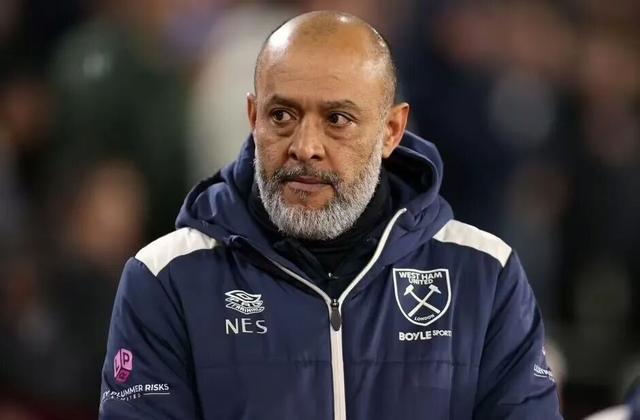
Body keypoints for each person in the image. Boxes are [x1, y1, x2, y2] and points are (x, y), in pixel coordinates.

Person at [99, 11, 561, 419]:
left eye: (337, 119)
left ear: (391, 130)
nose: (305, 147)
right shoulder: (166, 279)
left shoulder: (485, 275)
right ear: (253, 117)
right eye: (282, 116)